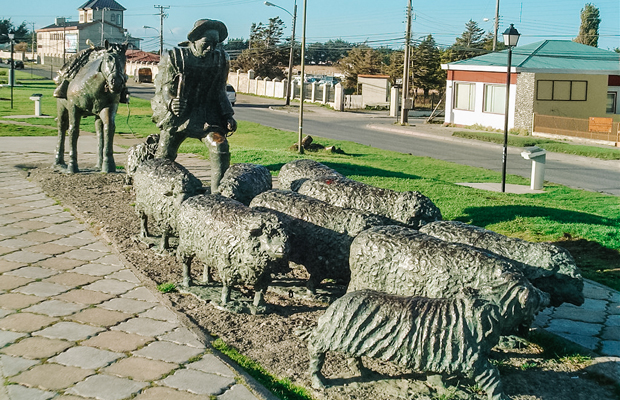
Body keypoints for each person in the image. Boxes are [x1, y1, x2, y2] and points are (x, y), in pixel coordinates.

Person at [151, 19, 236, 193]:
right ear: (194, 40)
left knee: (220, 146)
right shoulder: (176, 56)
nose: (210, 48)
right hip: (178, 115)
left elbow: (220, 91)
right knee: (164, 155)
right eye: (206, 43)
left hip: (207, 115)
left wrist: (227, 115)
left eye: (215, 44)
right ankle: (156, 190)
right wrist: (170, 102)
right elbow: (165, 86)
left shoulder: (220, 59)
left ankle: (217, 196)